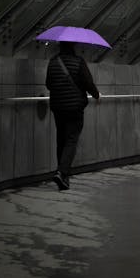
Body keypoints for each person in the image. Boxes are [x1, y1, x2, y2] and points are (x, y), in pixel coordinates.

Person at [45, 41, 100, 190]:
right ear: (73, 46)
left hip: (58, 107)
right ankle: (62, 172)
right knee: (71, 140)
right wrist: (96, 95)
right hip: (75, 108)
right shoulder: (79, 62)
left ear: (60, 46)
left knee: (61, 140)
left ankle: (63, 178)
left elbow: (48, 84)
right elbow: (88, 82)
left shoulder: (53, 62)